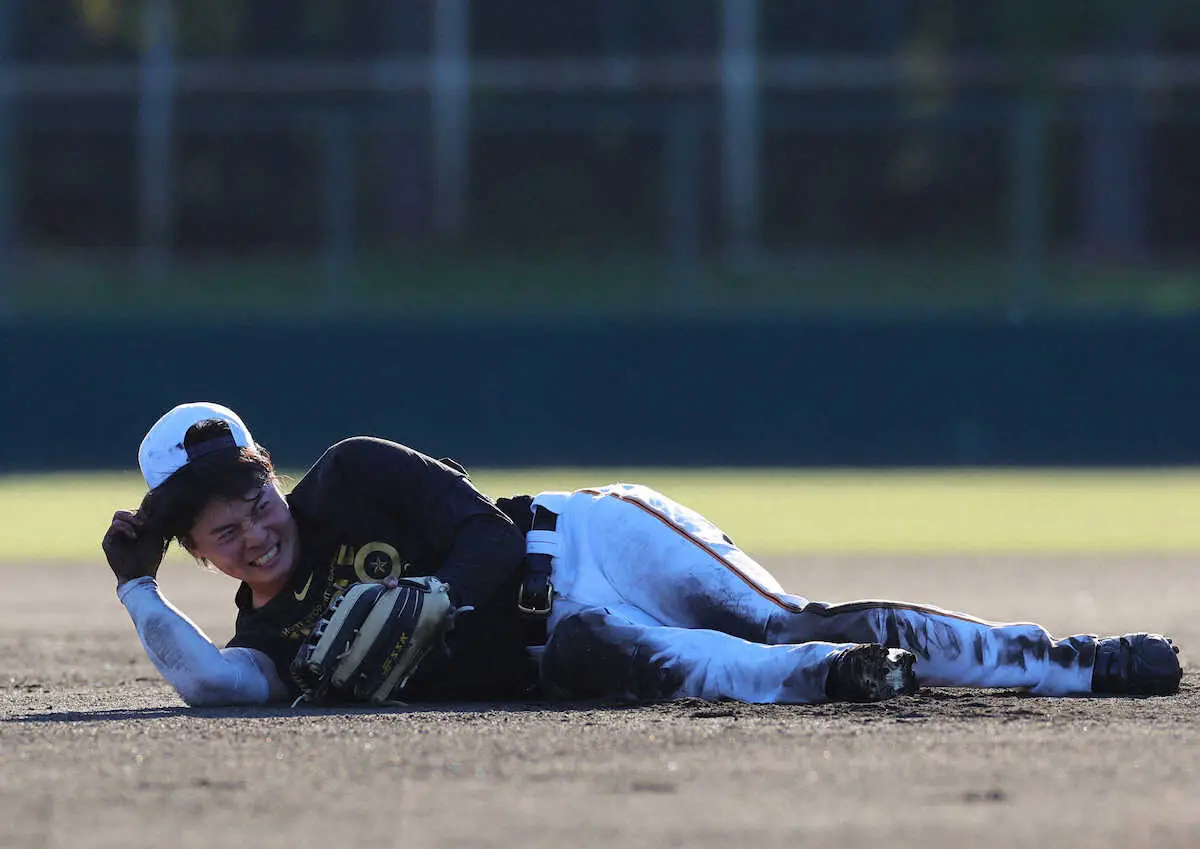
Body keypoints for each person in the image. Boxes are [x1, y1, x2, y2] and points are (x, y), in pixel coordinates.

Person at [102, 402, 1183, 708]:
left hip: (590, 536)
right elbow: (205, 685)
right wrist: (134, 585)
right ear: (199, 555)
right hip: (569, 645)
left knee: (784, 617)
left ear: (267, 469)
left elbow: (479, 532)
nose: (255, 528)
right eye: (224, 532)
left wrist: (432, 598)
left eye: (251, 494)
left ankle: (1074, 662)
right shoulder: (269, 645)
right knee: (679, 663)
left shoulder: (347, 475)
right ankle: (846, 683)